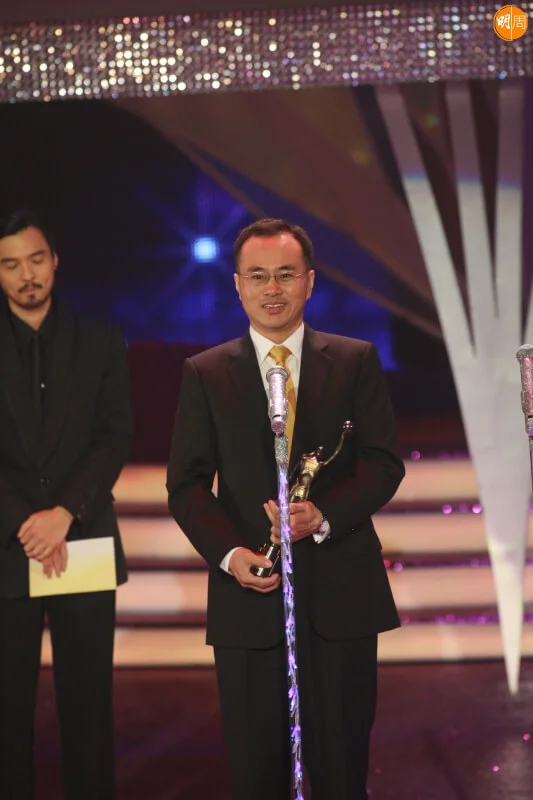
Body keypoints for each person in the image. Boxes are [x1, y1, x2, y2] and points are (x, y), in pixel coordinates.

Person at [167, 218, 405, 800]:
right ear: (237, 284)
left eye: (285, 274)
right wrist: (231, 554)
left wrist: (323, 515)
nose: (272, 288)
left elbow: (383, 463)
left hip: (341, 596)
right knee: (255, 773)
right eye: (258, 276)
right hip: (249, 599)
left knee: (342, 770)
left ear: (309, 281)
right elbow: (187, 484)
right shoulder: (205, 373)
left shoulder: (354, 360)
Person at [0, 210, 132, 799]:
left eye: (35, 259)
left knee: (87, 705)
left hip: (82, 536)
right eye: (10, 264)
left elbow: (115, 435)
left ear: (55, 261)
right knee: (7, 708)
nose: (26, 274)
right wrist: (22, 521)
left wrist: (63, 514)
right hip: (7, 544)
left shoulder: (99, 337)